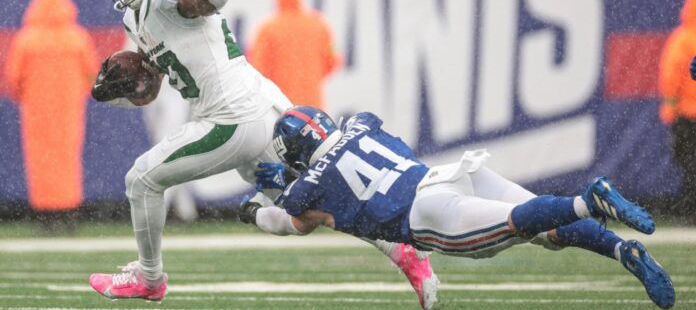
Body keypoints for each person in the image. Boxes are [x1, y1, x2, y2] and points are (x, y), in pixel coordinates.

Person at [88, 0, 437, 306]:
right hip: (256, 107)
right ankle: (401, 249)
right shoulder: (135, 16)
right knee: (308, 203)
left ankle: (149, 277)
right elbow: (156, 79)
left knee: (141, 180)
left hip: (230, 117)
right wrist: (134, 81)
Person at [240, 106, 676, 310]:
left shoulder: (307, 189)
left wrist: (254, 210)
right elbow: (364, 121)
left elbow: (292, 219)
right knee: (550, 232)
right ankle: (624, 250)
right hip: (449, 174)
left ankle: (586, 201)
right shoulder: (359, 124)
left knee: (517, 225)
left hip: (426, 215)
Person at [4, 0, 98, 233]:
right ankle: (69, 214)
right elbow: (92, 76)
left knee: (41, 162)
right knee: (67, 160)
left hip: (36, 112)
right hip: (69, 111)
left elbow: (13, 79)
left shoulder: (27, 39)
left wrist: (27, 97)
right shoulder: (77, 37)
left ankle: (46, 216)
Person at [247, 0, 340, 109]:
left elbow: (258, 71)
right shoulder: (318, 24)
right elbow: (332, 61)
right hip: (313, 106)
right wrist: (310, 77)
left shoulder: (267, 29)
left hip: (282, 106)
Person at [662, 0, 696, 218]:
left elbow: (671, 75)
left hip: (687, 114)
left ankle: (691, 208)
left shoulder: (682, 39)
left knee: (689, 164)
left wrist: (670, 107)